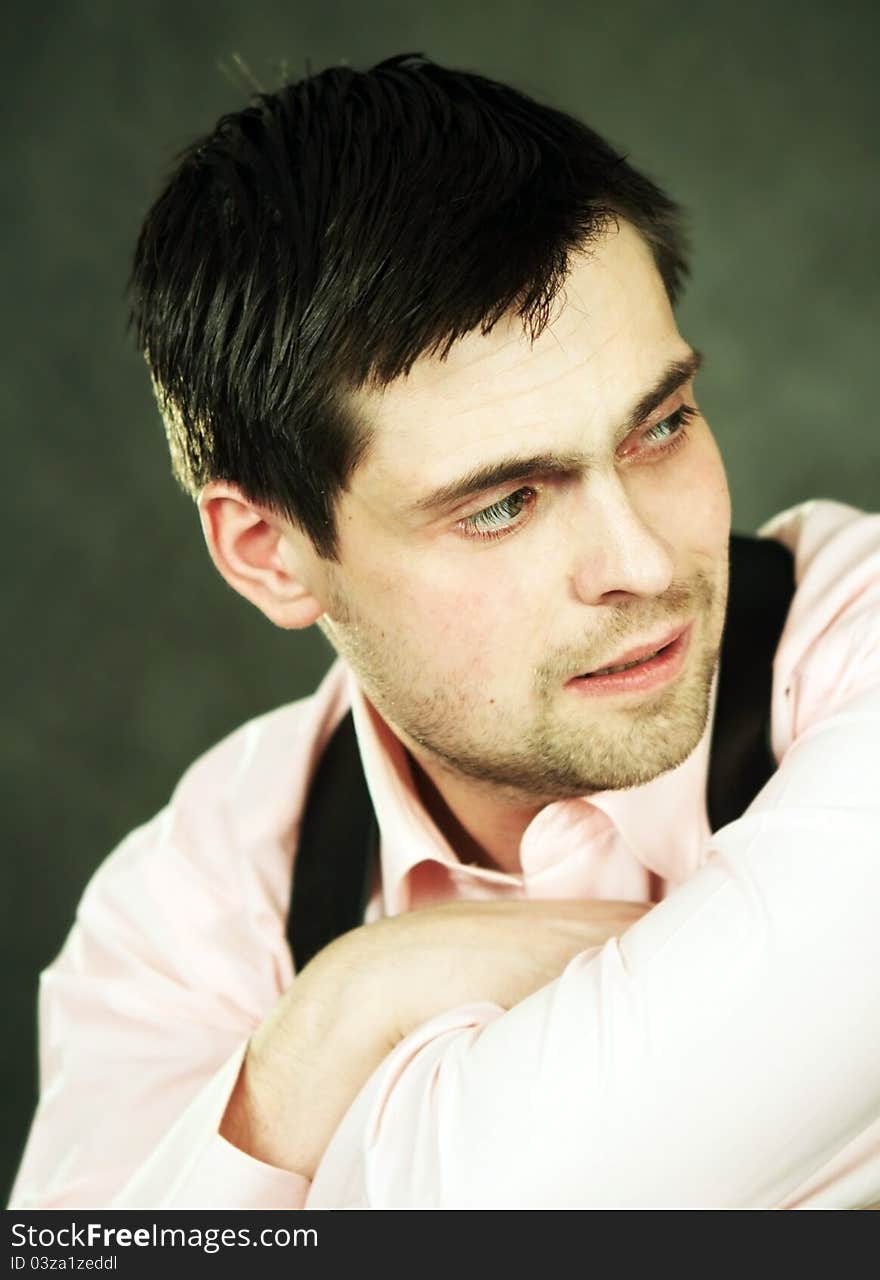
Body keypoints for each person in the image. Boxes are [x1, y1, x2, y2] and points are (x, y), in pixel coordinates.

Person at [10, 53, 880, 1211]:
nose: (642, 563)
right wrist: (325, 1028)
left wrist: (330, 1105)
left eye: (660, 425)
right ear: (270, 551)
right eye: (504, 502)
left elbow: (516, 1191)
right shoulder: (186, 913)